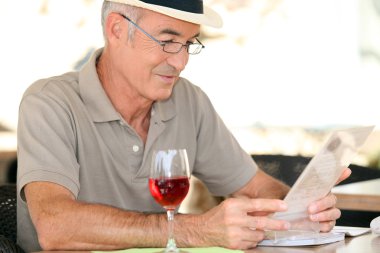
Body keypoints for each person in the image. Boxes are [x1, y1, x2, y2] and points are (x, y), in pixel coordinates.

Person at [16, 0, 350, 252]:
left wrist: (299, 210)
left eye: (189, 43)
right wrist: (192, 229)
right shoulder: (49, 102)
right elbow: (55, 225)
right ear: (117, 29)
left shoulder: (187, 99)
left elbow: (254, 188)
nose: (180, 61)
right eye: (167, 40)